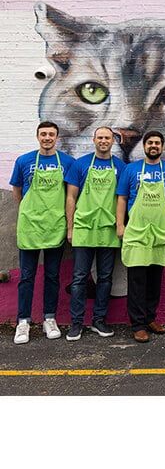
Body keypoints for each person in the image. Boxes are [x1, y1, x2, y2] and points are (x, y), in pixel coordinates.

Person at [116, 130, 165, 343]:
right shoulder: (131, 170)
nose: (153, 146)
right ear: (144, 146)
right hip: (137, 232)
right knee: (137, 280)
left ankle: (150, 318)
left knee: (155, 279)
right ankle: (137, 325)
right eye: (150, 142)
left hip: (161, 232)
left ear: (162, 147)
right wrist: (120, 225)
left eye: (157, 143)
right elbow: (121, 198)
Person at [10, 121, 75, 344]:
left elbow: (71, 195)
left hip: (55, 226)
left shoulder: (67, 162)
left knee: (52, 276)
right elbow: (17, 192)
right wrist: (29, 212)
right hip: (29, 227)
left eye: (51, 134)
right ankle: (23, 322)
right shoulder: (24, 161)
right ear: (37, 136)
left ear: (57, 137)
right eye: (43, 134)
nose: (47, 137)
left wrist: (68, 225)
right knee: (26, 276)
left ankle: (50, 318)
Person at [64, 127, 127, 341]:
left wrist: (121, 225)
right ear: (94, 140)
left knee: (105, 278)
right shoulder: (80, 164)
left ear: (113, 141)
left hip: (109, 230)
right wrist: (71, 227)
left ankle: (99, 320)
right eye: (100, 137)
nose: (103, 141)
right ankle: (76, 322)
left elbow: (123, 199)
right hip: (84, 228)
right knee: (80, 277)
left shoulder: (120, 166)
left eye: (107, 138)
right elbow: (71, 198)